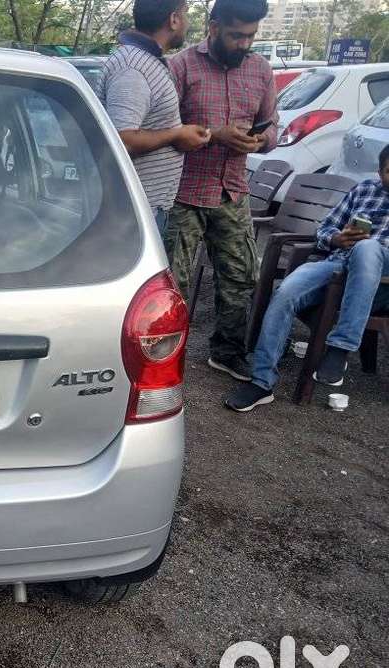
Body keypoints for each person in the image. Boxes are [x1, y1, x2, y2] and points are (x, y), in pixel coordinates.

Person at [226, 145, 389, 411]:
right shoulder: (364, 190)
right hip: (336, 263)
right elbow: (326, 227)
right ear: (380, 171)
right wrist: (337, 238)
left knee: (368, 247)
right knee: (285, 294)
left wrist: (367, 246)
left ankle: (340, 347)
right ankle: (261, 382)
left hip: (382, 280)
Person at [165, 0, 277, 382]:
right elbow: (165, 131)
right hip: (183, 191)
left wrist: (261, 140)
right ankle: (164, 358)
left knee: (240, 276)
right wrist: (214, 135)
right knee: (170, 281)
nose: (244, 43)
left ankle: (226, 351)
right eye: (236, 35)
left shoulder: (261, 70)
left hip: (232, 190)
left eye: (250, 36)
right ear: (213, 27)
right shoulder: (180, 66)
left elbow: (272, 127)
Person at [97, 0, 211, 234]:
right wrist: (177, 134)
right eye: (185, 15)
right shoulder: (132, 68)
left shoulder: (146, 61)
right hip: (132, 214)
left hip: (146, 207)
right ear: (173, 19)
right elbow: (124, 139)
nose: (187, 23)